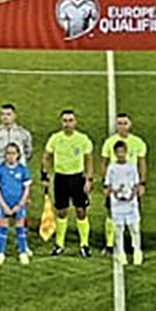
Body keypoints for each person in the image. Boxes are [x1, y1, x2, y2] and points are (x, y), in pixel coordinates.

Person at [0, 103, 34, 256]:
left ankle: (24, 245)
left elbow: (28, 152)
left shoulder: (24, 134)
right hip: (0, 179)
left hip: (18, 179)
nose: (6, 117)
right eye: (3, 114)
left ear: (14, 116)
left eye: (8, 114)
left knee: (22, 210)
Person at [43, 109, 94, 257]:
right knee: (62, 211)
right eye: (65, 121)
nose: (67, 124)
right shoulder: (55, 139)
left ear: (75, 122)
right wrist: (45, 175)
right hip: (61, 178)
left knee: (81, 211)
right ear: (61, 122)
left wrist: (89, 179)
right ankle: (59, 244)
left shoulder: (83, 139)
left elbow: (89, 160)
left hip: (78, 179)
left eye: (70, 120)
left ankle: (84, 244)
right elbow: (46, 157)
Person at [98, 113, 147, 257]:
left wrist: (142, 183)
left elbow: (142, 164)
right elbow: (104, 164)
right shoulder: (109, 142)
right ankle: (109, 244)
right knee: (111, 213)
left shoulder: (138, 142)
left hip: (131, 186)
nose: (122, 126)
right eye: (119, 123)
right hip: (115, 187)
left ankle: (134, 246)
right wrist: (105, 185)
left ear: (130, 124)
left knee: (134, 215)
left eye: (125, 123)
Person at [104, 140, 145, 265]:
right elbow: (108, 185)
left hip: (131, 203)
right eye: (118, 152)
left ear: (126, 152)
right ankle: (120, 253)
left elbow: (136, 184)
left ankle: (137, 251)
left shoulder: (132, 167)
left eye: (123, 152)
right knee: (119, 229)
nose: (121, 154)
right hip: (117, 204)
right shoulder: (111, 168)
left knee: (134, 228)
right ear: (115, 153)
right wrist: (115, 194)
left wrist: (132, 194)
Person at [0, 142, 32, 265]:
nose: (10, 156)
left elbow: (27, 189)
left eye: (13, 153)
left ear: (18, 155)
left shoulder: (23, 170)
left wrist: (20, 205)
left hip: (18, 203)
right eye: (8, 153)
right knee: (3, 228)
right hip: (5, 203)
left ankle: (23, 252)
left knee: (20, 228)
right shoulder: (0, 170)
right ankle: (0, 252)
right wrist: (3, 204)